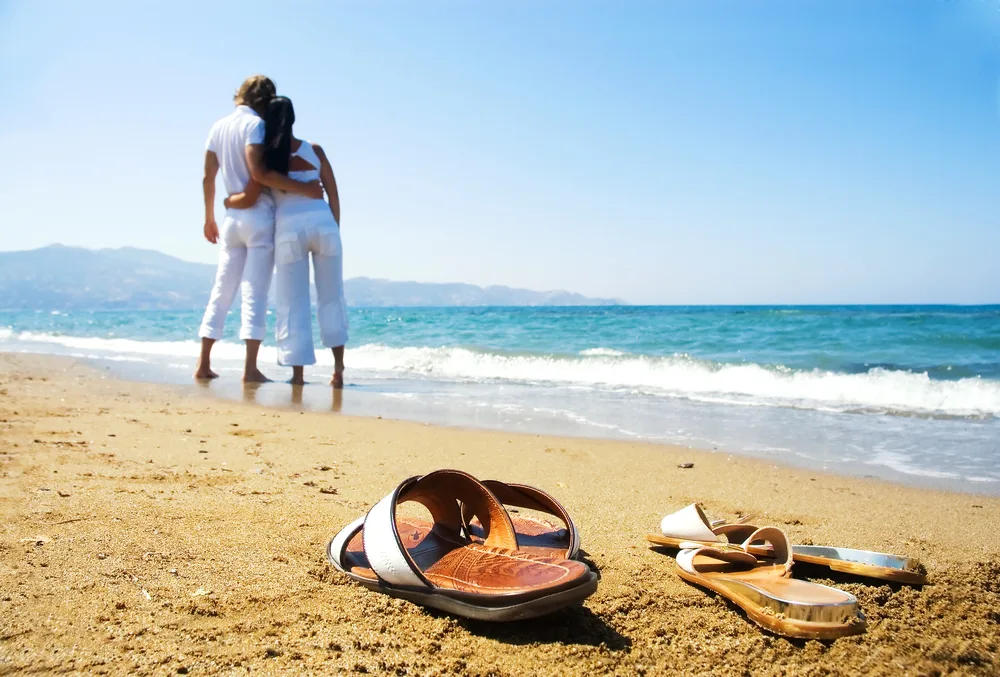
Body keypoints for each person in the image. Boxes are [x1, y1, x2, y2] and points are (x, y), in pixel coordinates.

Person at [196, 76, 323, 382]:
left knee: (221, 291)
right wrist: (304, 190)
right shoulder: (255, 126)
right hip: (258, 217)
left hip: (230, 223)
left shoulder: (218, 126)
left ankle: (203, 364)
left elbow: (208, 178)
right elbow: (260, 174)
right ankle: (250, 369)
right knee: (254, 294)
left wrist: (209, 216)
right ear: (265, 100)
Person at [224, 96, 348, 387]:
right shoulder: (314, 150)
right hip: (324, 226)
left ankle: (298, 375)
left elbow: (254, 191)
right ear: (293, 119)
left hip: (289, 231)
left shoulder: (267, 161)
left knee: (293, 303)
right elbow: (333, 194)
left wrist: (228, 200)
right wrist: (334, 229)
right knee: (331, 297)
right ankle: (338, 371)